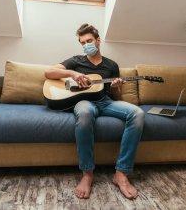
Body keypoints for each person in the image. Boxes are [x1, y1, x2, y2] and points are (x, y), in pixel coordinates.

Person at [44, 24, 144, 200]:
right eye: (83, 43)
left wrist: (115, 87)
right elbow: (48, 72)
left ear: (98, 41)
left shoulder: (112, 65)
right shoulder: (76, 61)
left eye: (89, 41)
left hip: (105, 102)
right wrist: (73, 74)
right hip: (83, 102)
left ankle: (121, 173)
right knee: (84, 114)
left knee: (138, 113)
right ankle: (87, 174)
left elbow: (115, 96)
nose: (86, 45)